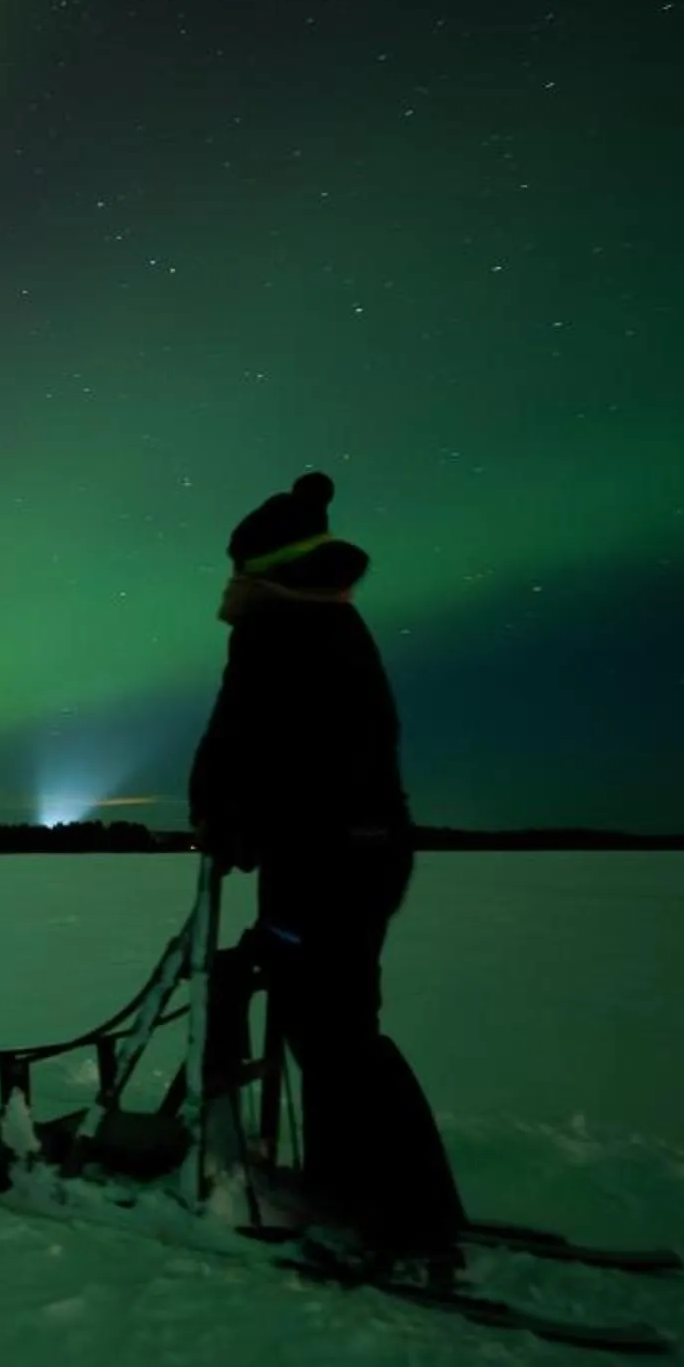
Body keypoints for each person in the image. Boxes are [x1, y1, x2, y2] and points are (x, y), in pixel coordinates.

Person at [187, 471, 462, 1262]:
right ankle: (357, 1186)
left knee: (335, 1032)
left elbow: (274, 750)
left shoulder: (290, 631)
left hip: (331, 859)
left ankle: (408, 1219)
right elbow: (251, 742)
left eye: (240, 564)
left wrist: (234, 814)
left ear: (266, 564)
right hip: (339, 856)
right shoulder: (312, 626)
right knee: (330, 1025)